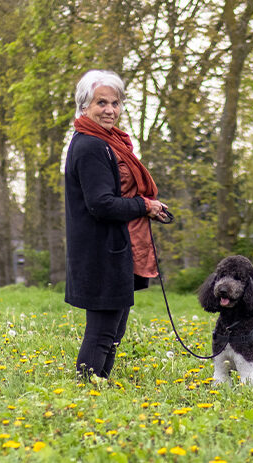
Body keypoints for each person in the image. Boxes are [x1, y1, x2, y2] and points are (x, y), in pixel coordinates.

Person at [64, 69, 168, 380]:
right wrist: (144, 205)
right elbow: (101, 204)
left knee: (113, 331)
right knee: (102, 333)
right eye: (101, 103)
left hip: (115, 252)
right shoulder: (91, 146)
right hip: (100, 254)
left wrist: (145, 207)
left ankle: (98, 387)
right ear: (85, 106)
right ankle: (86, 391)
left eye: (116, 103)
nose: (110, 110)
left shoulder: (108, 143)